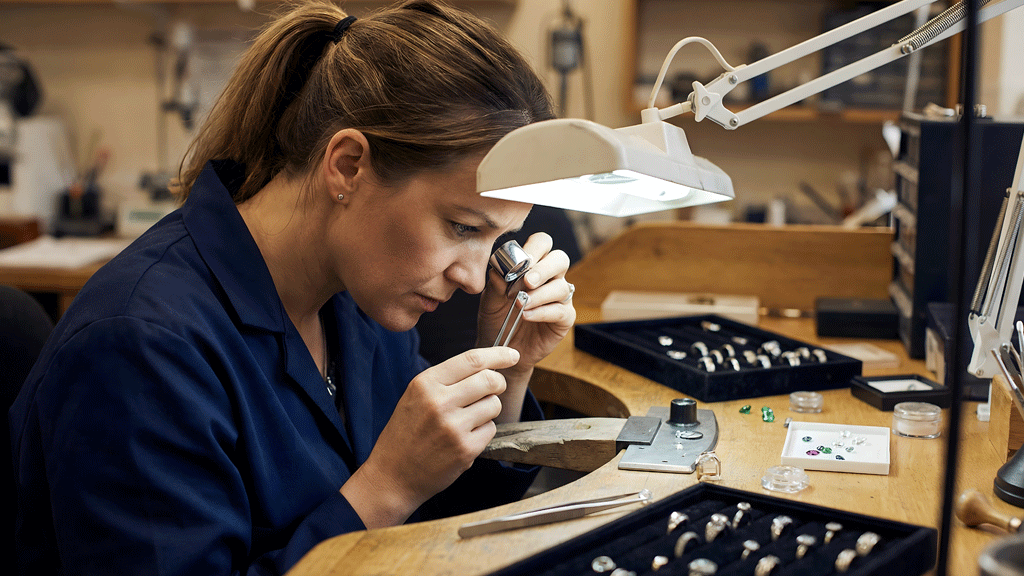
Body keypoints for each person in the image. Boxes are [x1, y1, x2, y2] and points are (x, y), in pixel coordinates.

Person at [9, 2, 575, 574]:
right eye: (462, 227)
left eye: (497, 239)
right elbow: (397, 498)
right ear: (348, 166)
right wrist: (385, 489)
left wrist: (511, 368)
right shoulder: (139, 345)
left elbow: (442, 526)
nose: (475, 279)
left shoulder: (355, 299)